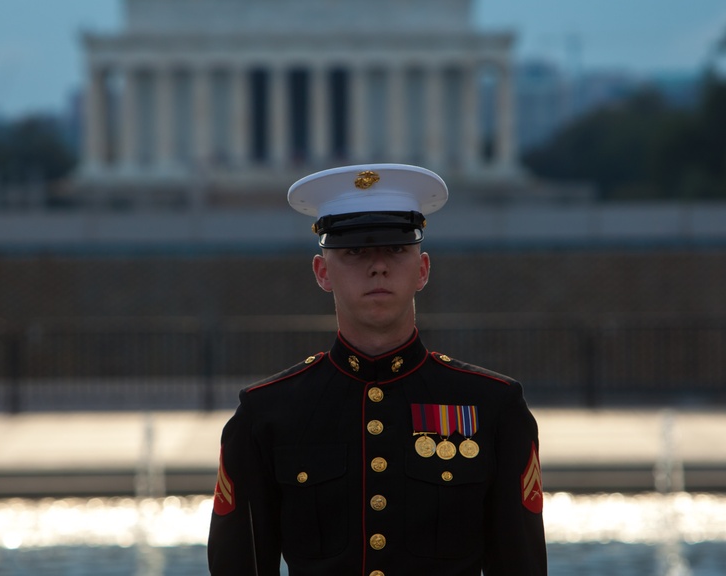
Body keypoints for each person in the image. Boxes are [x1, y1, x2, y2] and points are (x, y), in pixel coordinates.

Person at [207, 163, 548, 576]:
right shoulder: (266, 415)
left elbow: (522, 566)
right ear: (322, 273)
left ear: (422, 269)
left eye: (395, 249)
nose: (378, 267)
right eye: (354, 252)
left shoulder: (494, 407)